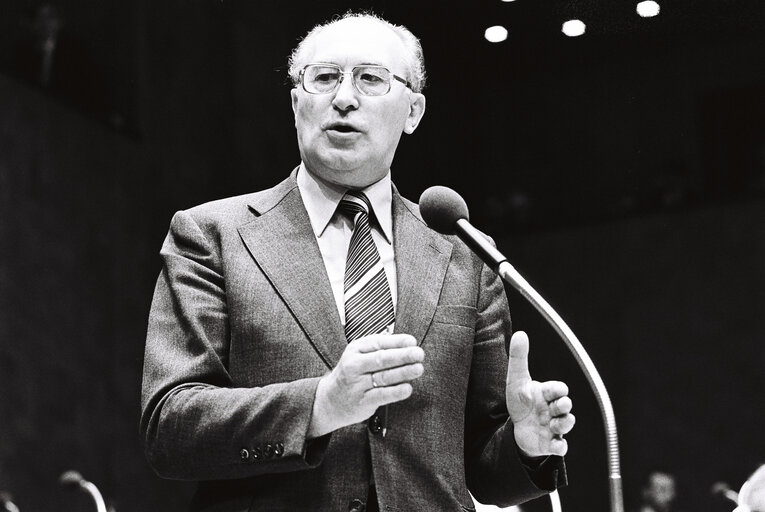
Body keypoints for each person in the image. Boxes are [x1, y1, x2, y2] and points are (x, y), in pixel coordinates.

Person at [140, 12, 575, 512]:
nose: (344, 97)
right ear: (296, 102)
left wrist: (524, 445)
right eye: (324, 78)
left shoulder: (464, 256)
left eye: (370, 78)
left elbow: (481, 467)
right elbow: (169, 428)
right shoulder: (213, 236)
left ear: (413, 111)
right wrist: (321, 404)